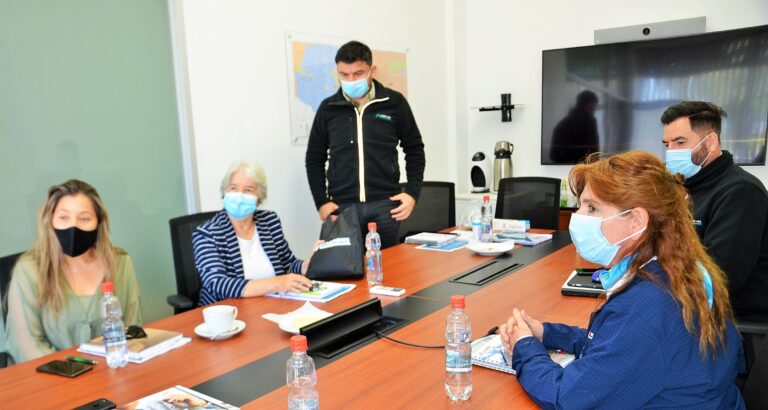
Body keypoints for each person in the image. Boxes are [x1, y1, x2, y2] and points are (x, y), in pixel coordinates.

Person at [499, 151, 744, 409]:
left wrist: (524, 346)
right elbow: (613, 346)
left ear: (636, 221)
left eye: (592, 208)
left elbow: (567, 398)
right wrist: (547, 333)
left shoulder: (646, 305)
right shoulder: (676, 268)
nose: (578, 216)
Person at [4, 180, 142, 364]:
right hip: (52, 375)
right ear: (50, 220)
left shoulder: (120, 262)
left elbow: (132, 331)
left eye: (84, 218)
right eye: (64, 218)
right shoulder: (29, 270)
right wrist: (77, 372)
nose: (73, 227)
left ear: (98, 222)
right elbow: (27, 346)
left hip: (112, 370)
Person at [305, 40, 425, 248]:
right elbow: (314, 158)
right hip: (343, 208)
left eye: (358, 73)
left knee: (389, 265)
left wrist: (412, 193)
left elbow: (414, 149)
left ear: (372, 70)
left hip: (386, 206)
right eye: (344, 74)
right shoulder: (328, 108)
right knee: (343, 266)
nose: (351, 80)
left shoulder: (394, 103)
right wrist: (321, 202)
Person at [661, 101, 768, 322]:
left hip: (732, 321)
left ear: (710, 142)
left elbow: (720, 275)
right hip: (687, 305)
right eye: (667, 144)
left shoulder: (741, 192)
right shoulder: (683, 187)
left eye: (680, 142)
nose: (671, 152)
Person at [193, 161, 318, 306]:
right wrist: (276, 284)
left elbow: (287, 265)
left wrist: (308, 265)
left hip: (273, 306)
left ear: (259, 196)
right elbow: (217, 284)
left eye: (248, 190)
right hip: (229, 312)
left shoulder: (270, 221)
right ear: (224, 191)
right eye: (233, 188)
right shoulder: (207, 234)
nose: (239, 196)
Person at [549, 90, 599, 164]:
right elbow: (594, 153)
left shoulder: (562, 124)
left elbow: (553, 155)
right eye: (594, 106)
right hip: (586, 167)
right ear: (589, 105)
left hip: (566, 166)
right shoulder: (589, 121)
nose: (594, 110)